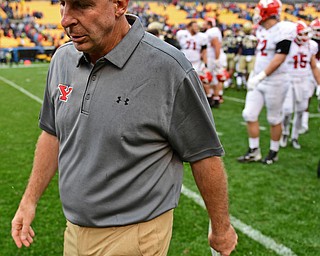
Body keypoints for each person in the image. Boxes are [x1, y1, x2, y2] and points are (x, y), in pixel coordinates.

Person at [11, 0, 237, 255]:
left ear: (119, 5)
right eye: (63, 4)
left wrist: (221, 229)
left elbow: (204, 154)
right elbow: (52, 133)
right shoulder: (63, 58)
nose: (65, 19)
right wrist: (29, 201)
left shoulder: (167, 67)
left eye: (82, 6)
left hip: (135, 235)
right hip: (73, 229)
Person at [237, 0, 296, 165]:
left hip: (276, 80)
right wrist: (254, 74)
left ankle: (273, 151)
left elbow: (280, 57)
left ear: (267, 12)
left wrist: (260, 76)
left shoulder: (284, 28)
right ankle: (254, 150)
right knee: (248, 114)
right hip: (258, 77)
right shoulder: (262, 30)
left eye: (259, 10)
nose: (256, 13)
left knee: (274, 118)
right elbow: (262, 56)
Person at [280, 21, 320, 149]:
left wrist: (319, 83)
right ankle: (285, 132)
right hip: (289, 79)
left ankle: (295, 136)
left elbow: (313, 66)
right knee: (286, 110)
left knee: (301, 110)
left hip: (304, 80)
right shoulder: (289, 45)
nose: (305, 36)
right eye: (301, 34)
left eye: (306, 33)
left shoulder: (311, 46)